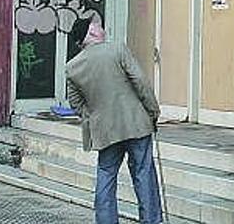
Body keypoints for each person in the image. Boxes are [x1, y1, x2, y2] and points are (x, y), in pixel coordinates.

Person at [66, 21, 162, 224]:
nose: (103, 29)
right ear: (91, 32)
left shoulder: (72, 67)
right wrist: (152, 111)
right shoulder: (117, 49)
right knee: (144, 174)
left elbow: (75, 103)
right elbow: (140, 81)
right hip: (136, 123)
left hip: (105, 131)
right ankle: (152, 220)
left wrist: (94, 117)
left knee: (106, 176)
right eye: (98, 26)